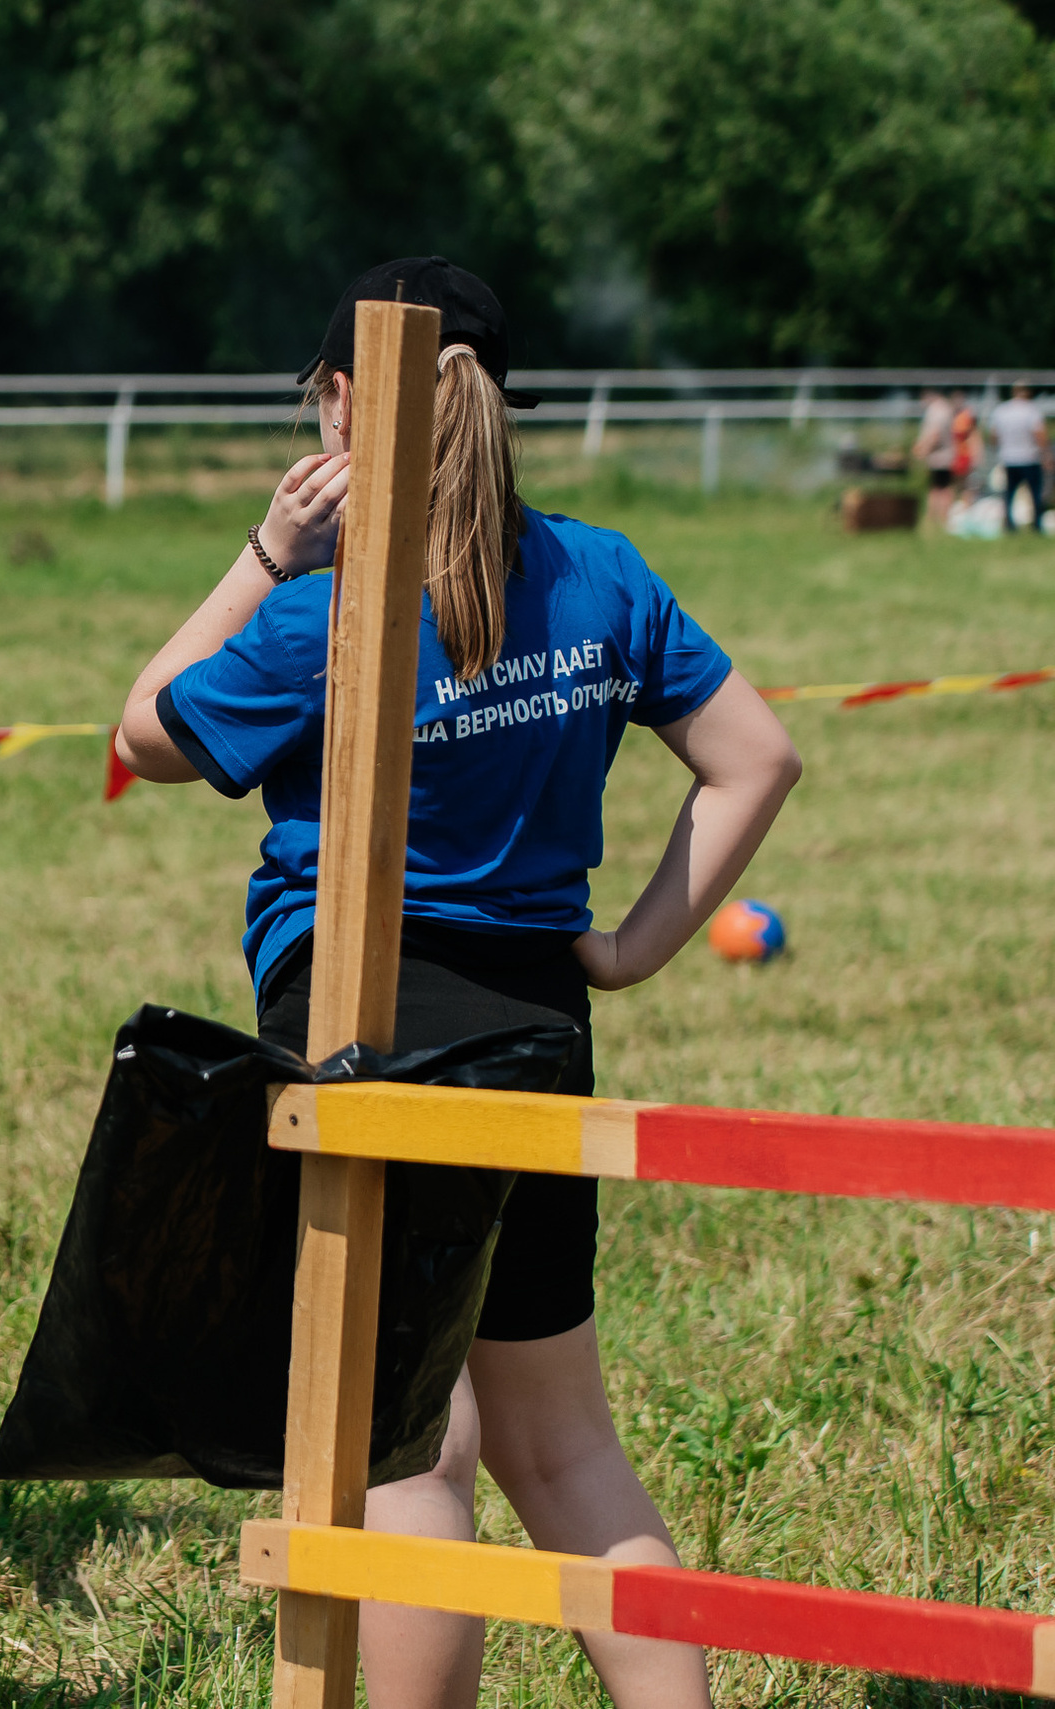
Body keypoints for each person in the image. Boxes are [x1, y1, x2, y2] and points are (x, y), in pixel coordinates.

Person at [115, 258, 800, 1709]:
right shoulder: (603, 573)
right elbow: (760, 758)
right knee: (569, 1447)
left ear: (345, 402)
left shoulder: (321, 621)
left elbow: (141, 731)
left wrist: (265, 550)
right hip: (540, 1031)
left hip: (369, 1036)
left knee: (407, 1445)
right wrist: (618, 952)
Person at [989, 383, 1046, 534]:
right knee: (1035, 493)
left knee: (1009, 494)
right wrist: (1046, 455)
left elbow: (994, 435)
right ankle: (1036, 525)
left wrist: (1000, 449)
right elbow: (1039, 434)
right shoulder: (1031, 410)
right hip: (1030, 457)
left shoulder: (1001, 410)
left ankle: (1009, 524)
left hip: (1008, 457)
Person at [912, 388, 958, 528]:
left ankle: (938, 518)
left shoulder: (936, 411)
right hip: (945, 455)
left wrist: (922, 451)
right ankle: (939, 518)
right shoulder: (946, 409)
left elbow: (934, 435)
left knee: (940, 488)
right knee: (941, 487)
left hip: (939, 457)